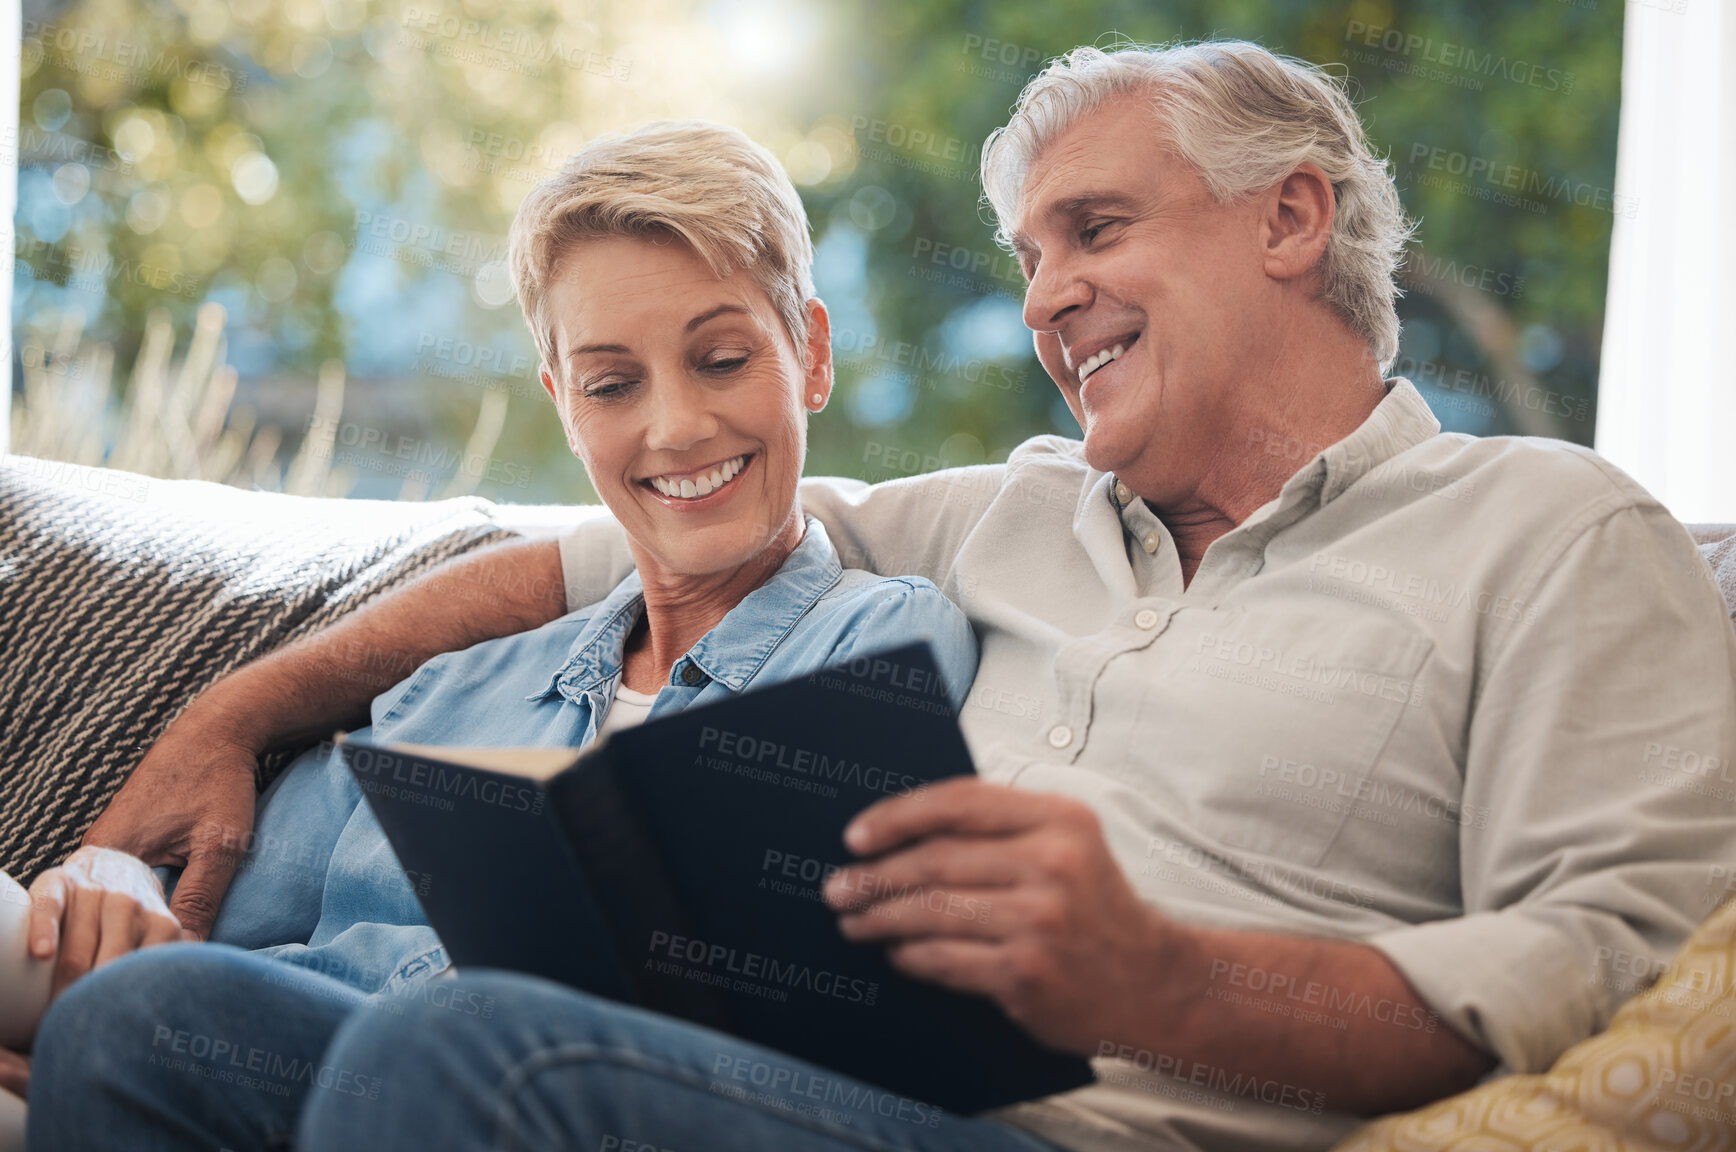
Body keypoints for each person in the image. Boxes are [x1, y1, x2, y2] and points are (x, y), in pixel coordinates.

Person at [34, 38, 1736, 1152]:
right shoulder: (1014, 512)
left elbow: (1591, 964)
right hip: (821, 1085)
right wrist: (238, 712)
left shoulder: (1554, 532)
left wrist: (1159, 976)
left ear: (1289, 215)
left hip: (1082, 1134)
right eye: (1029, 263)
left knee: (464, 1057)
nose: (1048, 298)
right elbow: (612, 547)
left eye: (1092, 229)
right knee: (152, 1022)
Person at [18, 121, 1006, 1150]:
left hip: (564, 1100)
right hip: (317, 1091)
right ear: (564, 408)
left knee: (424, 1032)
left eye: (720, 359)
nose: (674, 428)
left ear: (810, 355)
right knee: (128, 1020)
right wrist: (101, 901)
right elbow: (199, 944)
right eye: (612, 385)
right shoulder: (438, 696)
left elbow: (748, 963)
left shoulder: (880, 639)